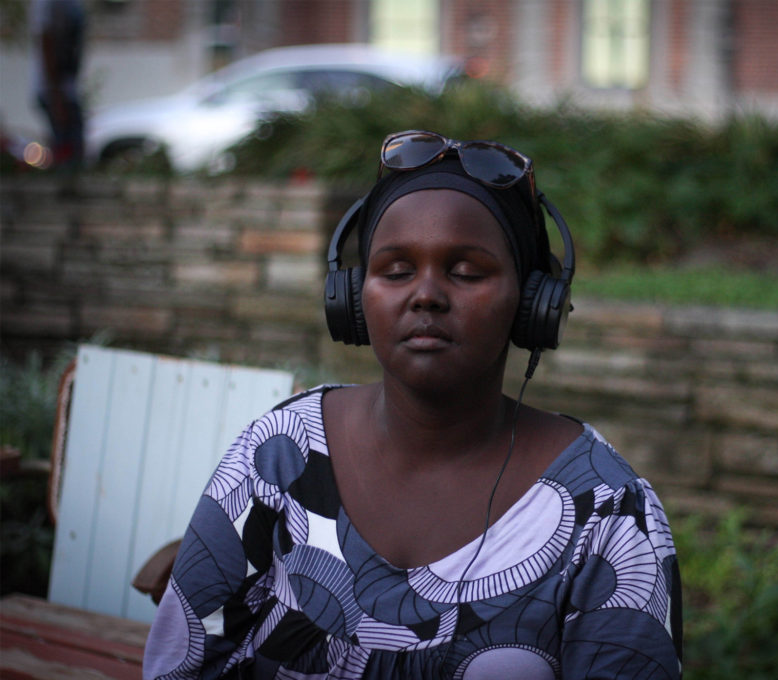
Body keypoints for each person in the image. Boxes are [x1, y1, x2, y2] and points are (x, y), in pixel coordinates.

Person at [142, 130, 683, 679]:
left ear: (531, 303)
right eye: (396, 271)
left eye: (467, 272)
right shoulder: (280, 455)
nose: (425, 294)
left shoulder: (609, 511)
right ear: (354, 299)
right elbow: (183, 659)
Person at [30, 0, 86, 169]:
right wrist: (56, 95)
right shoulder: (48, 4)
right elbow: (46, 42)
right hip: (56, 92)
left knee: (75, 150)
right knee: (66, 152)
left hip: (67, 89)